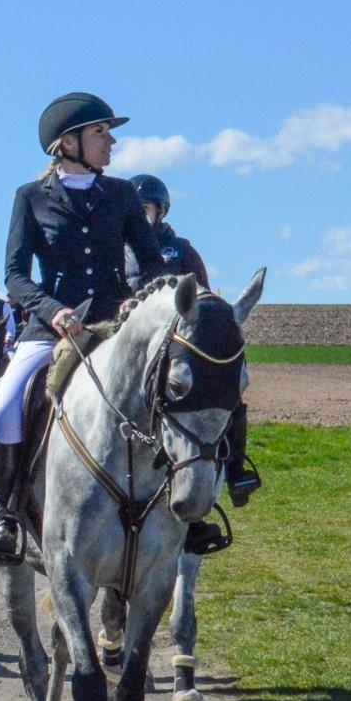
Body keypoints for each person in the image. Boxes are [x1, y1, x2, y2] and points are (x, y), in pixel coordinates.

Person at [0, 92, 165, 565]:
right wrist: (53, 310)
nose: (112, 141)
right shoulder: (29, 197)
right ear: (68, 142)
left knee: (173, 388)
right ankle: (6, 512)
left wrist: (137, 302)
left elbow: (149, 264)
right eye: (101, 132)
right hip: (53, 325)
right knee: (6, 405)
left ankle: (184, 504)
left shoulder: (122, 195)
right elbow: (16, 275)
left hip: (116, 322)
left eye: (108, 132)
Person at [124, 172, 262, 513]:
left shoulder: (181, 249)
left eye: (145, 207)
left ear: (161, 211)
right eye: (134, 208)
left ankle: (235, 471)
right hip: (124, 340)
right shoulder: (113, 246)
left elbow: (202, 297)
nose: (140, 214)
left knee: (225, 390)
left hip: (175, 343)